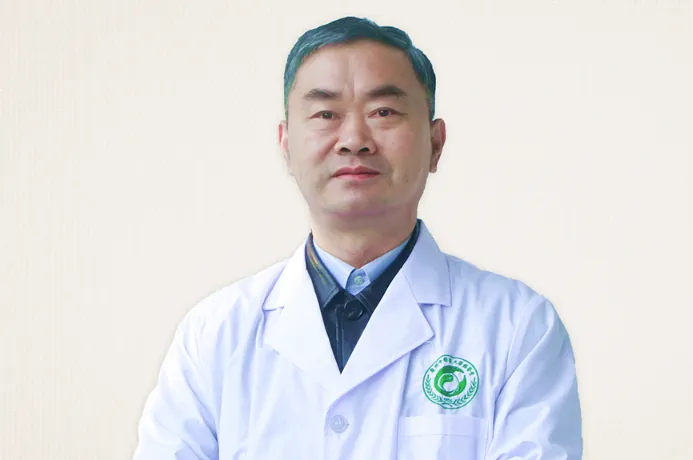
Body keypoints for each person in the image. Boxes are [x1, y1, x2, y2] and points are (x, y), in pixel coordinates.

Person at [133, 16, 582, 460]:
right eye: (325, 114)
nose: (353, 140)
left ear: (435, 143)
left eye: (383, 112)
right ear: (286, 145)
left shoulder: (518, 328)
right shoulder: (214, 334)